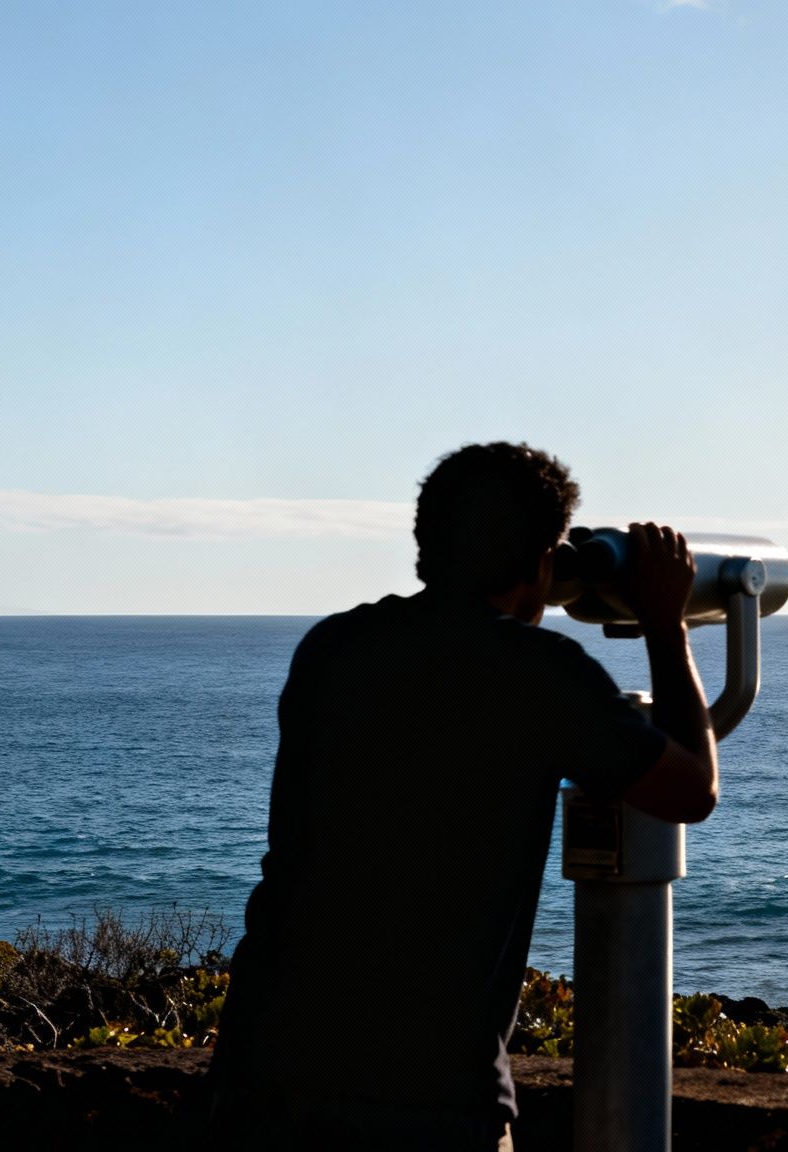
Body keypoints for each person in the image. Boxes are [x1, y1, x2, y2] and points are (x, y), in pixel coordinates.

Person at [208, 442, 719, 1151]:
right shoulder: (538, 675)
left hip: (266, 1068)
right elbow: (692, 789)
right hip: (428, 1094)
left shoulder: (333, 649)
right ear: (543, 559)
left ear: (427, 542)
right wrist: (667, 625)